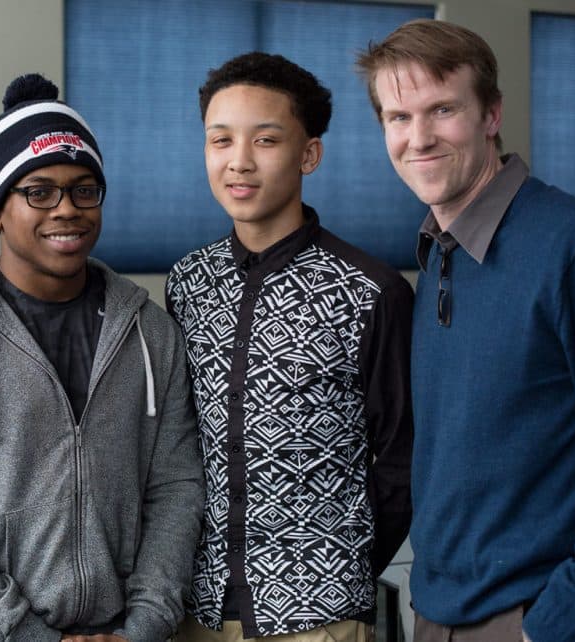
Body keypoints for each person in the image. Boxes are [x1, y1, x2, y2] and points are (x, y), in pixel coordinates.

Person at [0, 73, 205, 642]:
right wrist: (26, 633)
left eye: (84, 189)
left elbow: (176, 488)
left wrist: (144, 626)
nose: (67, 209)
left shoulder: (150, 331)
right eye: (39, 192)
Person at [356, 18, 575, 642]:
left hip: (540, 618)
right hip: (435, 614)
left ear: (491, 114)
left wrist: (559, 623)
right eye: (398, 117)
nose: (419, 138)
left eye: (443, 110)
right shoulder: (437, 254)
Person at [165, 52, 414, 642]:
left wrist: (339, 569)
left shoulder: (369, 290)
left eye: (266, 140)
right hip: (197, 609)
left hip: (319, 617)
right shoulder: (189, 282)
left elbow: (401, 461)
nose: (239, 161)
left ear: (309, 154)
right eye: (220, 140)